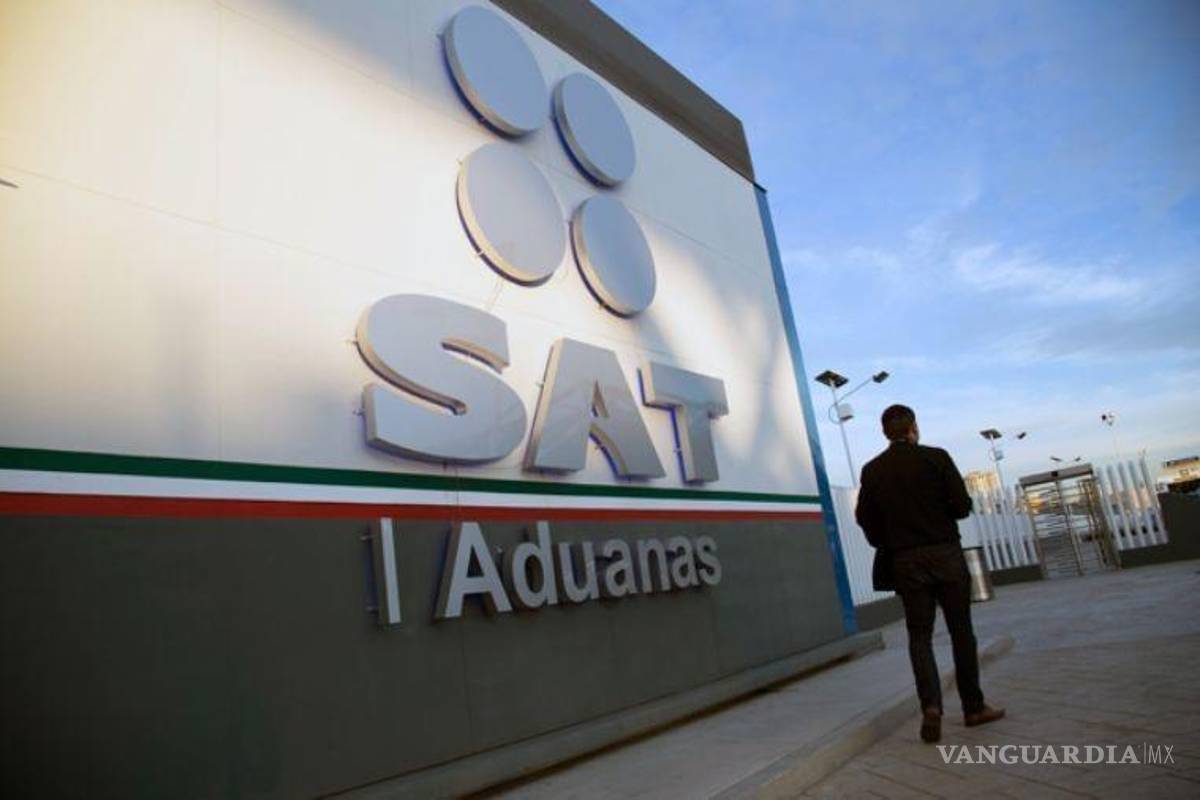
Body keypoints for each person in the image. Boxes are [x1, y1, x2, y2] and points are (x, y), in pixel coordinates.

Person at [855, 404, 1005, 743]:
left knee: (919, 637)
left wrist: (888, 540)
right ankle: (973, 707)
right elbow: (962, 507)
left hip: (906, 562)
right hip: (946, 555)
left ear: (884, 432)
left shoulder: (873, 470)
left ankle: (932, 707)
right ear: (914, 428)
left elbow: (864, 517)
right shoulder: (936, 458)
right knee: (961, 632)